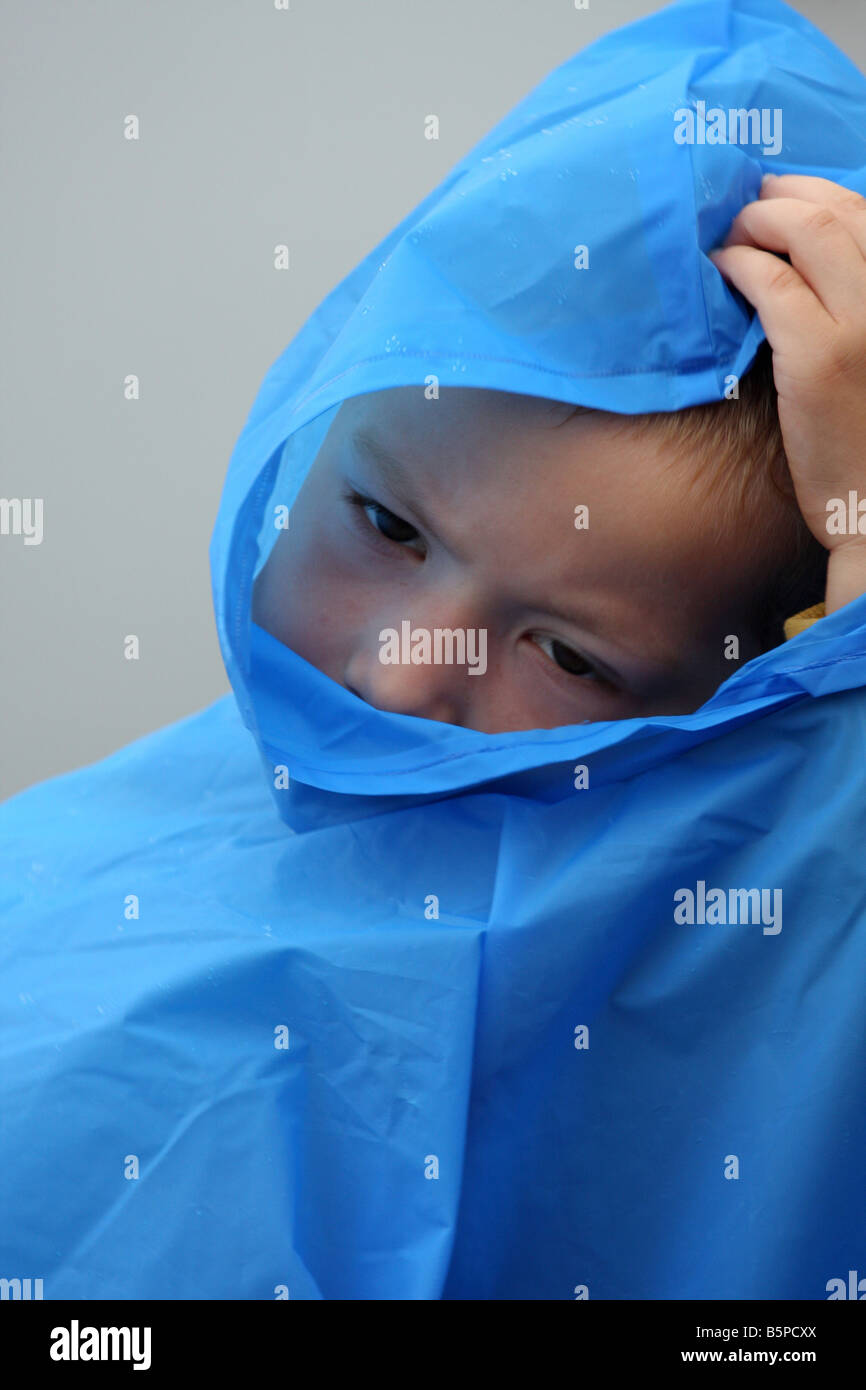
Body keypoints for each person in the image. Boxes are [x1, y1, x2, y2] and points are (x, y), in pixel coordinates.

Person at [2, 0, 866, 1301]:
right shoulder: (131, 824)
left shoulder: (726, 951)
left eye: (570, 656)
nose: (400, 675)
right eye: (386, 521)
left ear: (748, 691)